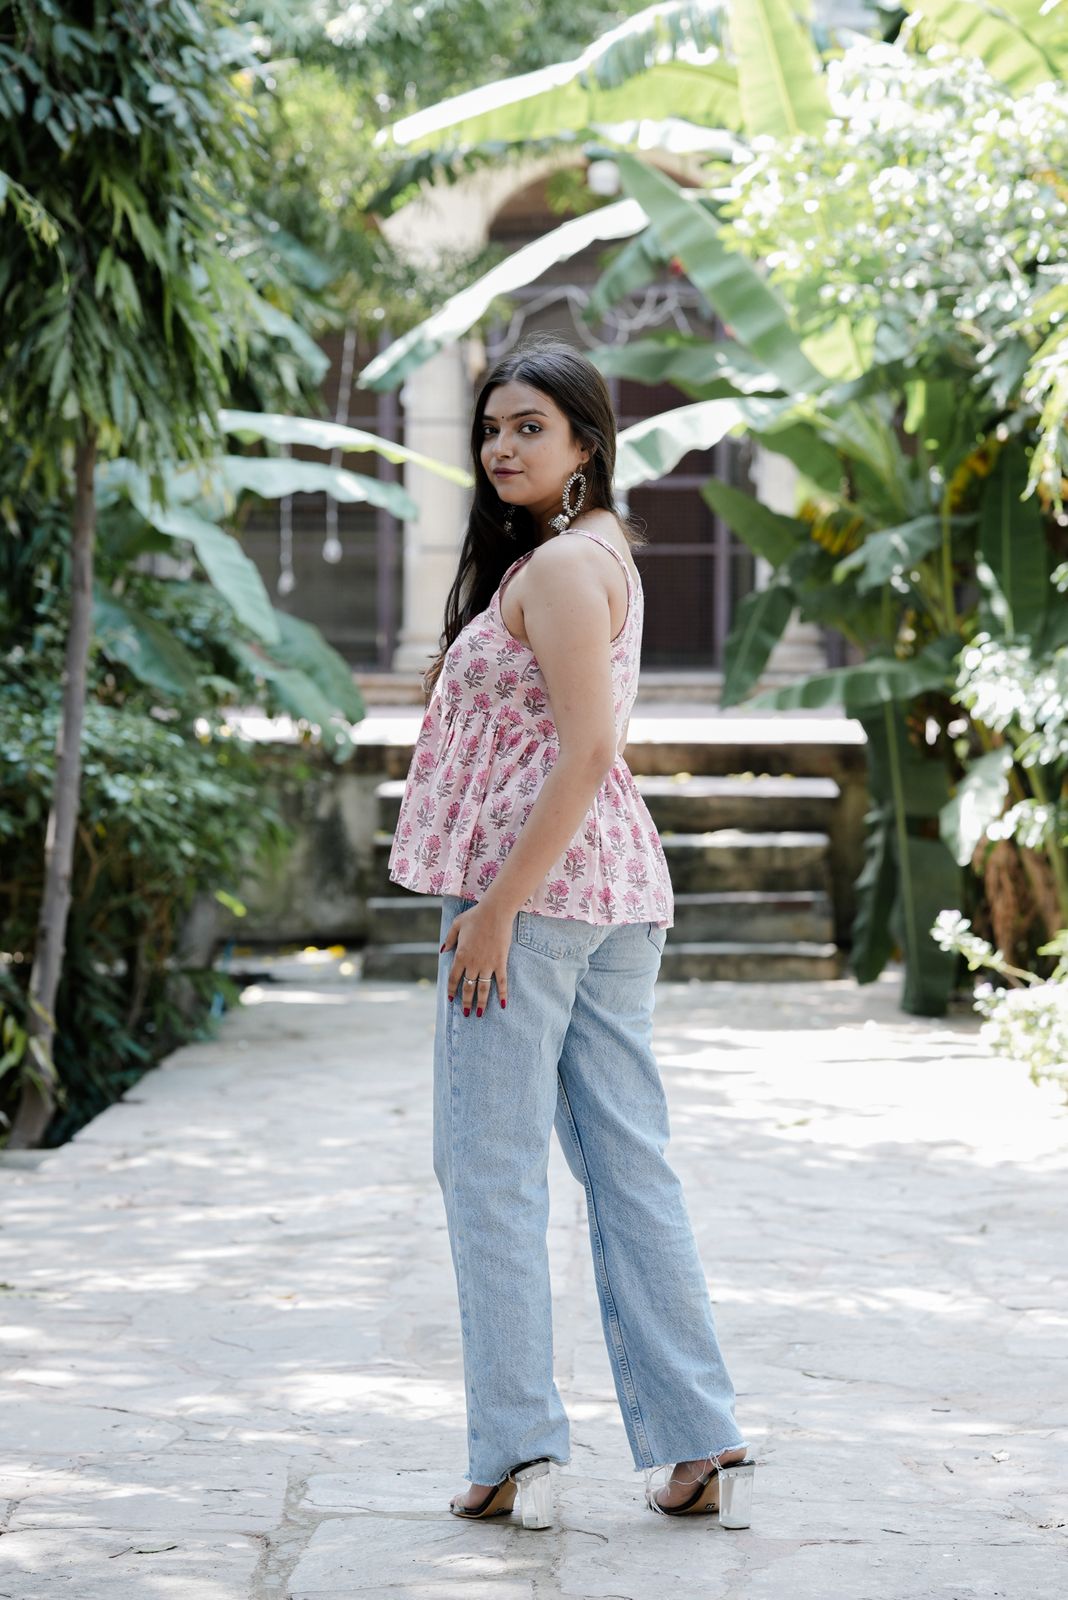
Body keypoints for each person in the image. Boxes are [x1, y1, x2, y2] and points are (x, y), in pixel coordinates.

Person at [387, 334, 754, 1530]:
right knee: (629, 1164)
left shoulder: (557, 568)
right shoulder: (601, 553)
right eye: (492, 427)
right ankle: (698, 1440)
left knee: (488, 1170)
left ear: (587, 442)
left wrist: (494, 909)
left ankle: (518, 1451)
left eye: (530, 427)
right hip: (611, 892)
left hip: (528, 894)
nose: (502, 446)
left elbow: (587, 750)